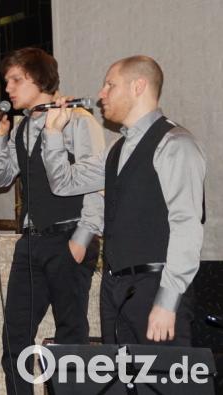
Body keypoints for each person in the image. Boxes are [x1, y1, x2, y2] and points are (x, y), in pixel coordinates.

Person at [41, 55, 206, 346]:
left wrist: (167, 302)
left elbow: (186, 226)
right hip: (116, 290)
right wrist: (53, 133)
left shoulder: (175, 143)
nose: (101, 93)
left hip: (156, 286)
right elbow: (64, 183)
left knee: (162, 387)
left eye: (109, 85)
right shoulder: (116, 151)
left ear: (138, 86)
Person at [0, 47, 105, 395]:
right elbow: (2, 178)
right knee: (15, 337)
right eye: (7, 79)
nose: (8, 87)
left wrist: (82, 239)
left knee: (70, 339)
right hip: (31, 241)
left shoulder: (79, 120)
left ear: (39, 79)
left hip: (68, 237)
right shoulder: (23, 127)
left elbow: (98, 183)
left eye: (16, 79)